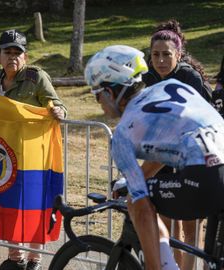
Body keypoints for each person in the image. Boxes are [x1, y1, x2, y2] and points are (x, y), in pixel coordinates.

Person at [85, 44, 224, 270]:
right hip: (218, 165)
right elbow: (171, 142)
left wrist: (135, 184)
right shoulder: (171, 86)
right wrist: (141, 175)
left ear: (109, 93)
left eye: (96, 95)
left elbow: (140, 205)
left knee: (137, 201)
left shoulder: (122, 134)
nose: (98, 104)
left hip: (204, 179)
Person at [0, 30, 66, 270]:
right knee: (10, 204)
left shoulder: (36, 77)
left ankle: (34, 260)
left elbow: (57, 103)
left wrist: (58, 111)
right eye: (7, 52)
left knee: (34, 206)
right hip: (3, 153)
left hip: (33, 154)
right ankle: (15, 258)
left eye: (17, 53)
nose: (13, 57)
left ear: (25, 57)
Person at [142, 19, 210, 269]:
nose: (160, 60)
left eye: (166, 55)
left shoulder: (189, 77)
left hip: (194, 161)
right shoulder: (148, 78)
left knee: (190, 234)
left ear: (178, 54)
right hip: (162, 160)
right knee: (170, 230)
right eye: (155, 55)